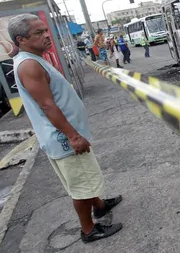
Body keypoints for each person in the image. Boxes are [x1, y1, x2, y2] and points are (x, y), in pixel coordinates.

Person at [7, 14, 123, 243]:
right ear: (21, 39)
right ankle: (88, 230)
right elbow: (47, 104)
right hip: (63, 137)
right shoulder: (29, 64)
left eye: (45, 30)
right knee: (80, 186)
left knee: (86, 177)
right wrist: (72, 136)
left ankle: (99, 206)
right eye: (38, 33)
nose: (46, 36)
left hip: (67, 134)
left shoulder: (30, 57)